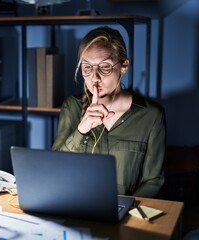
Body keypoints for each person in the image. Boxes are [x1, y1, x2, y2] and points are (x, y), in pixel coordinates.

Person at [52, 26, 166, 198]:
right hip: (76, 208)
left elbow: (153, 181)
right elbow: (55, 170)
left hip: (127, 215)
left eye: (105, 67)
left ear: (124, 66)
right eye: (87, 67)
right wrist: (81, 129)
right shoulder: (72, 106)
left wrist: (125, 210)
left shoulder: (151, 116)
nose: (94, 77)